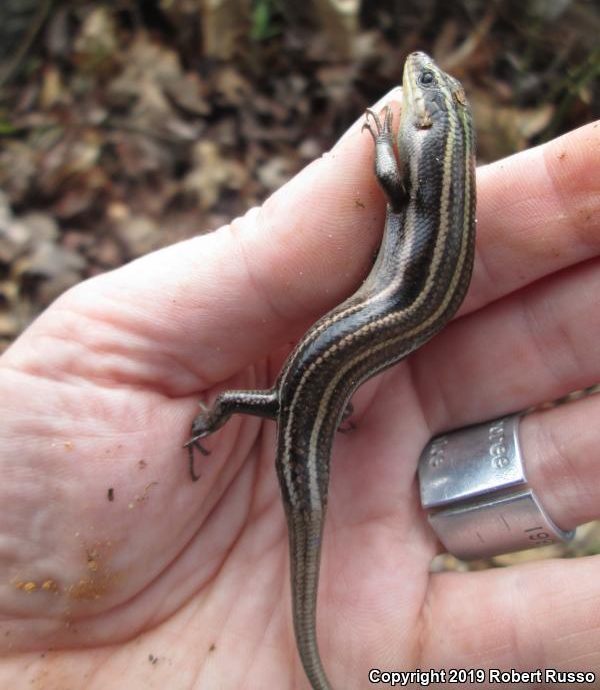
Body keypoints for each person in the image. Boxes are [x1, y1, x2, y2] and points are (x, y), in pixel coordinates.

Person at [1, 89, 598, 688]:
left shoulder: (426, 197)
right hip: (372, 345)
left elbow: (390, 178)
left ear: (427, 128)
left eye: (430, 100)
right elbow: (398, 192)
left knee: (295, 419)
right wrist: (220, 414)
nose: (418, 81)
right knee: (285, 419)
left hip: (350, 362)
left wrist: (382, 142)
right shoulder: (443, 206)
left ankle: (312, 661)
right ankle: (312, 665)